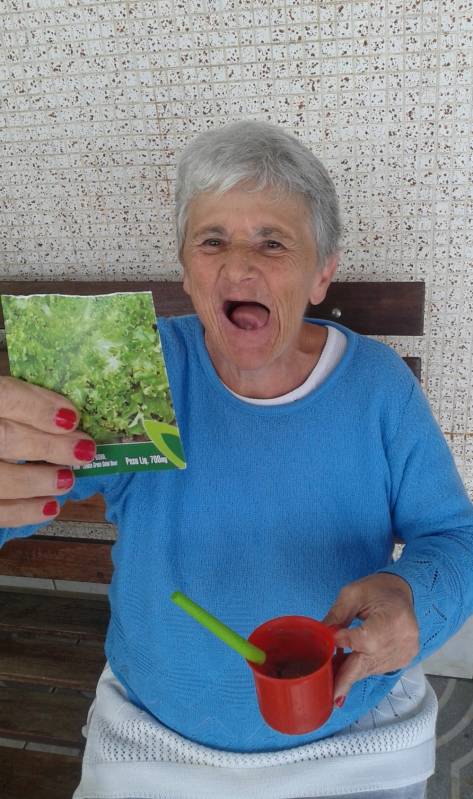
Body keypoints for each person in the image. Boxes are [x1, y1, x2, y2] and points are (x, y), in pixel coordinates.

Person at [0, 120, 472, 799]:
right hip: (152, 745)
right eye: (212, 239)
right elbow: (18, 495)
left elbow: (453, 538)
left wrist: (415, 605)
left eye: (271, 241)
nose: (237, 265)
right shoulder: (135, 374)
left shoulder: (376, 386)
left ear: (321, 273)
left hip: (352, 743)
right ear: (187, 272)